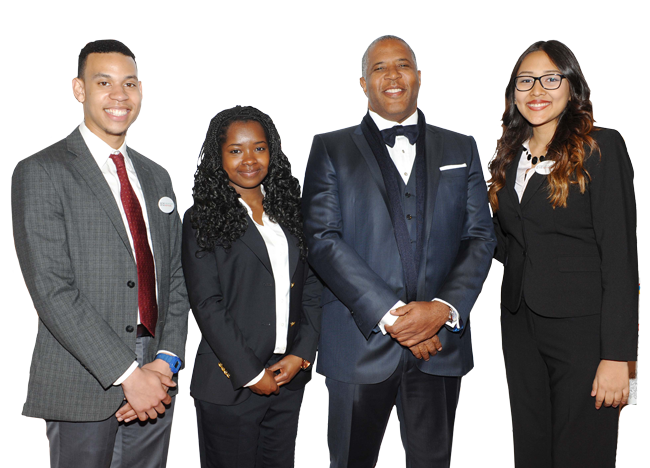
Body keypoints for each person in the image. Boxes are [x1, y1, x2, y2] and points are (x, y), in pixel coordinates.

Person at [301, 35, 496, 468]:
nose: (392, 75)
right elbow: (321, 238)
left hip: (439, 345)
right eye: (379, 67)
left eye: (403, 65)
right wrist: (392, 316)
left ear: (419, 78)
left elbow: (480, 236)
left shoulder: (460, 148)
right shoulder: (330, 148)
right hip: (358, 345)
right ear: (363, 83)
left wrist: (441, 310)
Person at [11, 38, 189, 468]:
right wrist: (130, 376)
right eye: (104, 82)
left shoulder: (156, 176)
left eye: (129, 83)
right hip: (83, 376)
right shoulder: (42, 170)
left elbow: (176, 279)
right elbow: (51, 289)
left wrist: (163, 365)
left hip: (156, 374)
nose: (119, 95)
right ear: (79, 90)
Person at [488, 40, 638, 468]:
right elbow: (509, 240)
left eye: (551, 79)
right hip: (519, 322)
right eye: (525, 81)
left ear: (572, 87)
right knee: (533, 448)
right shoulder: (507, 156)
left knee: (582, 451)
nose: (537, 90)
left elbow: (620, 256)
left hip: (583, 329)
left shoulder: (600, 147)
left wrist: (616, 356)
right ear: (513, 93)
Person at [182, 105, 322, 468]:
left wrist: (301, 354)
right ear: (219, 155)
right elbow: (207, 304)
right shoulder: (201, 218)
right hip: (231, 382)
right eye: (235, 150)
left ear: (272, 151)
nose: (249, 159)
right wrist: (251, 373)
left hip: (287, 380)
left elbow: (310, 290)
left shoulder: (291, 213)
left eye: (259, 148)